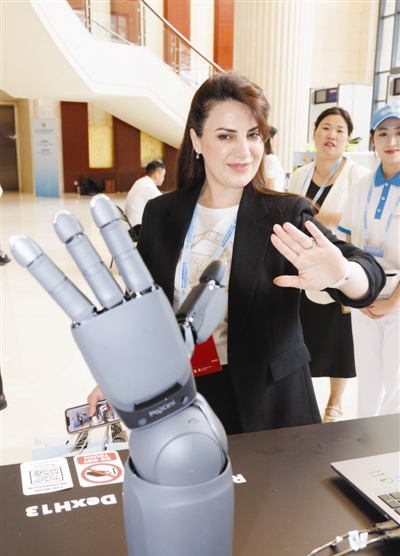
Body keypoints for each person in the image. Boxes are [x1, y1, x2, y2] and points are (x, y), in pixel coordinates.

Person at [88, 72, 384, 434]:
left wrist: (341, 275)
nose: (244, 151)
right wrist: (119, 373)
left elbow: (369, 275)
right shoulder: (161, 213)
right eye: (226, 136)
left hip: (271, 405)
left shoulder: (283, 214)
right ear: (196, 140)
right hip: (185, 396)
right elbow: (142, 308)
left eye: (253, 135)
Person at [289, 107, 370, 422]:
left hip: (340, 263)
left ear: (348, 139)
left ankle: (335, 402)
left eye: (339, 130)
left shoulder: (357, 175)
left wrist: (317, 217)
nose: (331, 135)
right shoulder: (300, 174)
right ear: (314, 133)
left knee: (339, 337)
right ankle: (303, 397)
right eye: (325, 127)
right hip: (303, 263)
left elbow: (357, 220)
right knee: (303, 332)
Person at [338, 101, 400, 417]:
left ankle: (390, 445)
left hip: (399, 302)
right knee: (368, 382)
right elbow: (349, 241)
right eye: (383, 133)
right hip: (365, 296)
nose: (392, 141)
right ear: (373, 138)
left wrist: (393, 302)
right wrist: (355, 293)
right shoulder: (361, 186)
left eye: (399, 132)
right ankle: (364, 442)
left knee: (396, 386)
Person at [124, 161, 166, 236]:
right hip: (136, 229)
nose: (163, 178)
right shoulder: (147, 186)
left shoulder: (141, 182)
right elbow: (165, 203)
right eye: (163, 175)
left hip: (132, 227)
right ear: (156, 174)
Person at [264, 126, 285, 191]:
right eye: (276, 136)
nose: (277, 139)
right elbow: (270, 186)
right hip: (274, 195)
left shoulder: (264, 158)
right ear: (271, 139)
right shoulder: (271, 159)